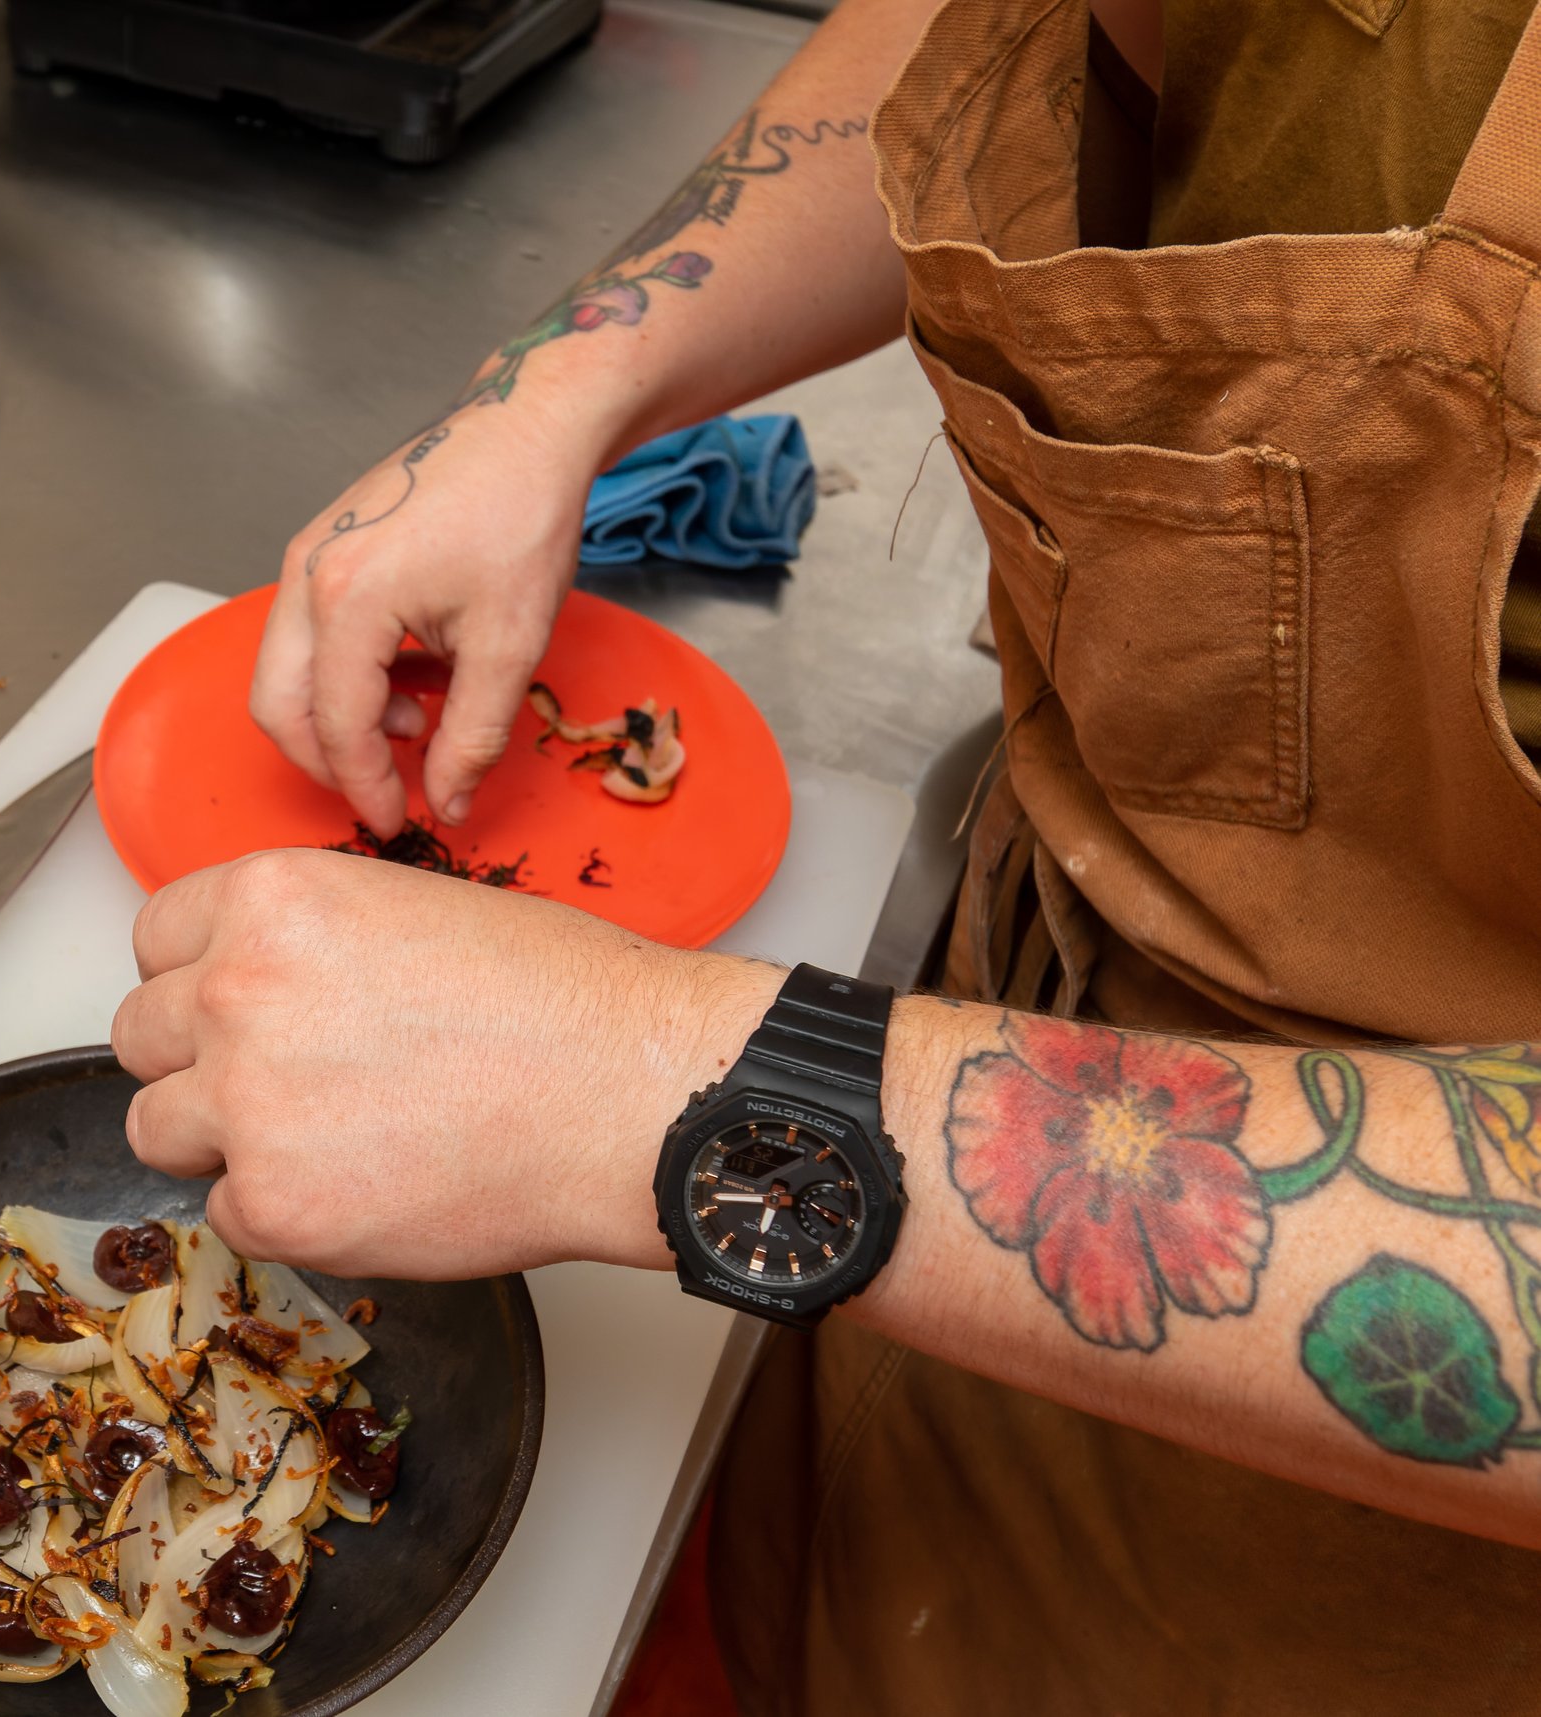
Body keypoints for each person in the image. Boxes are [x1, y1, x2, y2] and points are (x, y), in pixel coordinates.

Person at [110, 0, 1541, 1709]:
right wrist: (568, 388)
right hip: (933, 1190)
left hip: (1344, 1568)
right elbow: (987, 45)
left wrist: (670, 1080)